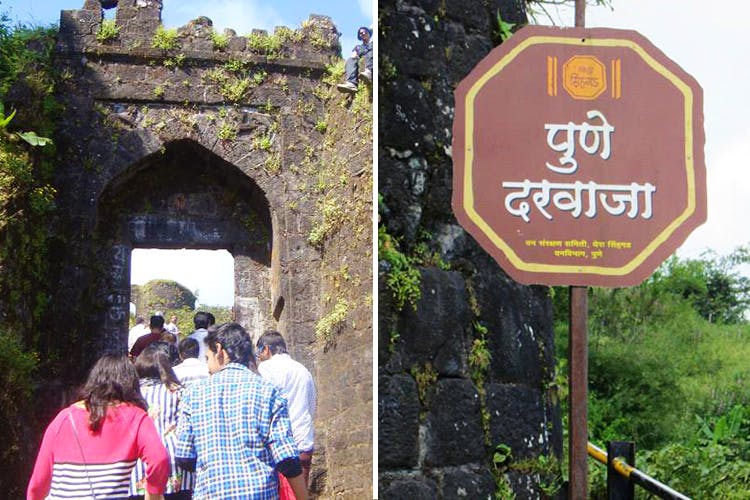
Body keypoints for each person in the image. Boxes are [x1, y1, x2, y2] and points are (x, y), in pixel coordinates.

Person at [175, 323, 308, 500]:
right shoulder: (269, 391)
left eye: (208, 358)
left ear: (219, 350)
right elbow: (287, 459)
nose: (207, 367)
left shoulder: (192, 394)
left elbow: (184, 456)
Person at [27, 354, 169, 500]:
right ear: (131, 383)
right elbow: (159, 459)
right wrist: (153, 493)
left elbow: (39, 482)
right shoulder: (136, 418)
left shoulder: (63, 418)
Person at [129, 343, 192, 500]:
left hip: (138, 463)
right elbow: (185, 429)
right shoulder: (179, 392)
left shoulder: (130, 395)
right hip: (173, 461)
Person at [256, 331, 317, 492]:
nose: (258, 357)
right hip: (303, 440)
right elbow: (311, 406)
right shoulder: (303, 370)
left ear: (266, 349)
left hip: (279, 446)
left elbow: (264, 406)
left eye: (259, 352)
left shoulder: (266, 368)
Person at [337, 26, 373, 93]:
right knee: (350, 60)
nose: (362, 34)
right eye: (360, 33)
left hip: (371, 62)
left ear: (369, 33)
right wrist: (355, 56)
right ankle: (351, 84)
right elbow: (353, 56)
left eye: (364, 32)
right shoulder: (358, 47)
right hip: (361, 58)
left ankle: (369, 72)